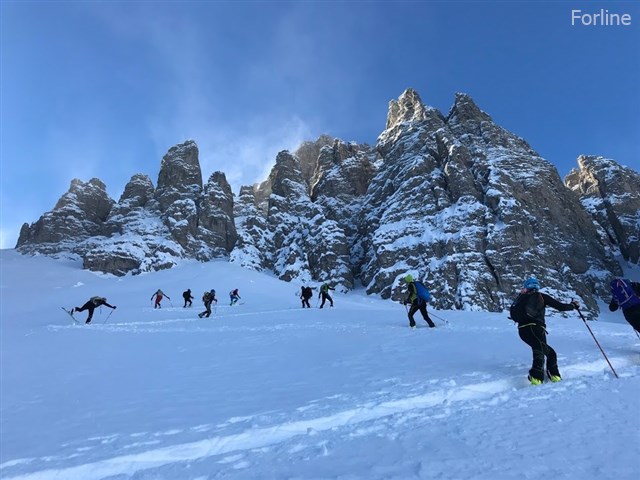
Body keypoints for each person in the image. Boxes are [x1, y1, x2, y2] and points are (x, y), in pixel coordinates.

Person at [510, 277, 578, 385]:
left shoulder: (521, 298)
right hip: (537, 328)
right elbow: (560, 307)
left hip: (522, 330)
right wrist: (573, 305)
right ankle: (546, 376)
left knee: (539, 350)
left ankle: (539, 377)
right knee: (549, 353)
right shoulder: (541, 296)